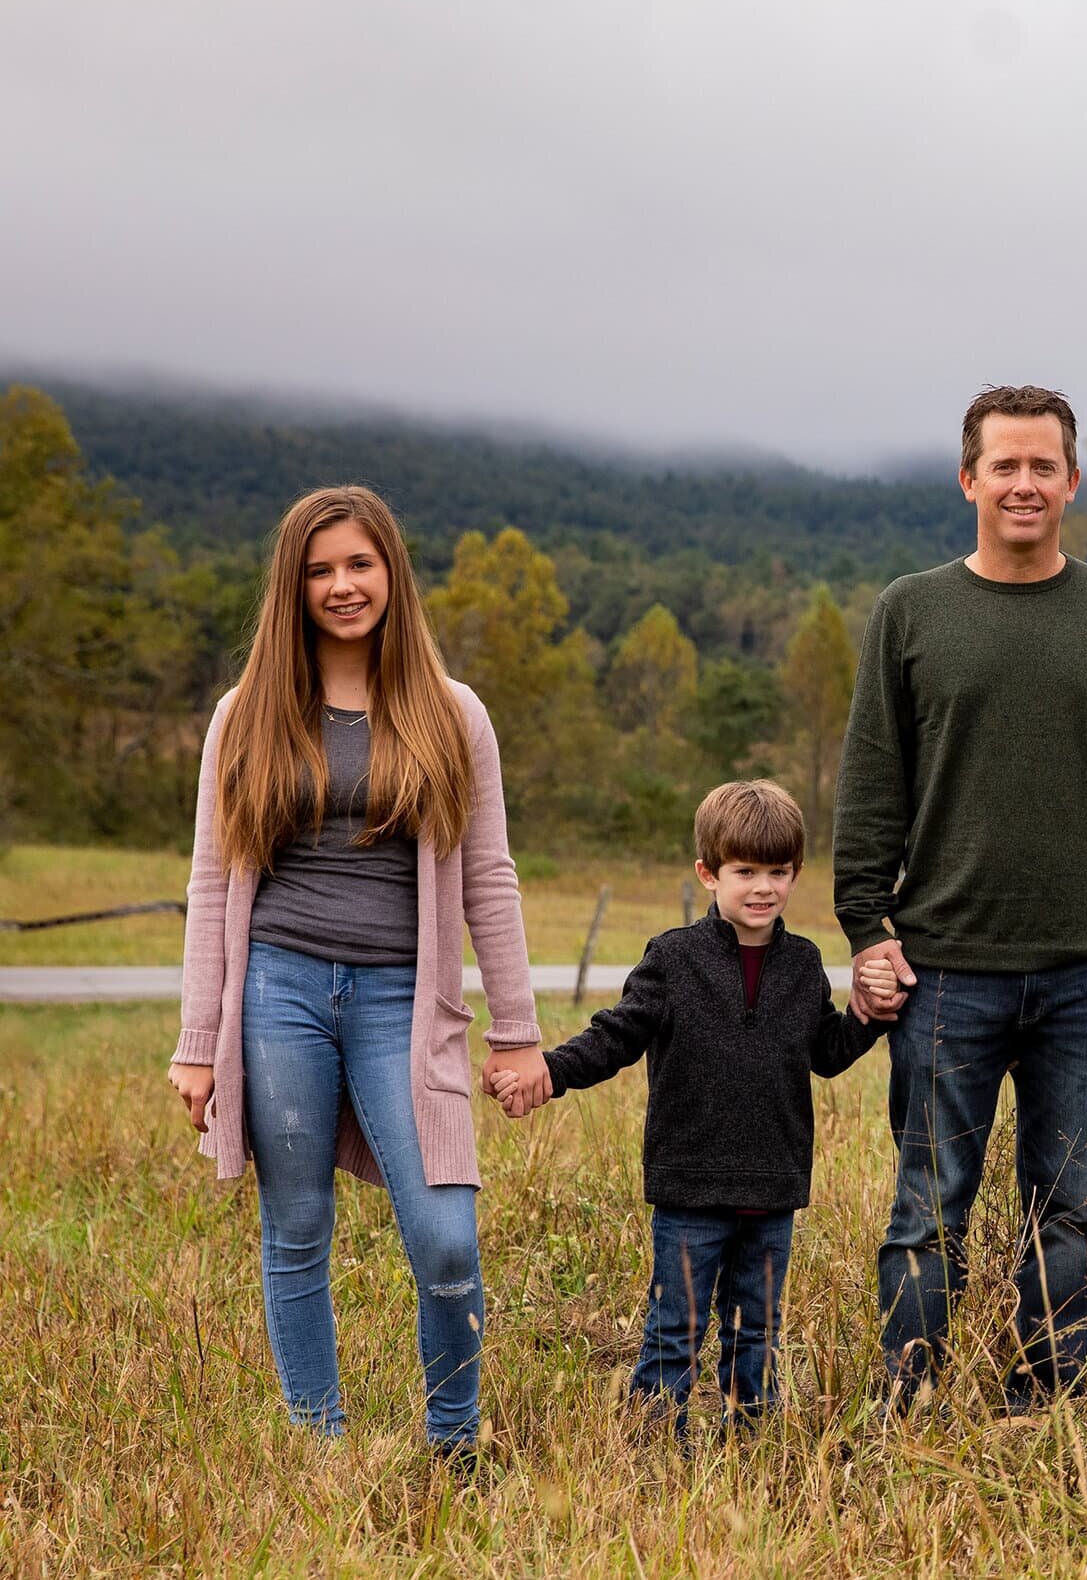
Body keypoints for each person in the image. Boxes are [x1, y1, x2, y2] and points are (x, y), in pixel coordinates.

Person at [835, 384, 1087, 1413]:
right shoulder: (910, 613)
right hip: (943, 968)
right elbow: (871, 787)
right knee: (926, 1210)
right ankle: (905, 1402)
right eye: (1003, 464)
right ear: (968, 478)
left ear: (1072, 482)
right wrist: (866, 929)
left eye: (1042, 465)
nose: (1023, 482)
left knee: (1069, 1212)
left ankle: (1043, 1406)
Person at [166, 486, 550, 1459]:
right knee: (297, 1227)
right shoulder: (244, 714)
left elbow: (492, 878)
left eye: (360, 564)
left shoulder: (452, 715)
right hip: (278, 993)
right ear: (293, 587)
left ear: (392, 574)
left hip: (401, 1004)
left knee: (447, 1239)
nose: (342, 585)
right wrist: (198, 1045)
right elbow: (212, 879)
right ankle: (319, 1445)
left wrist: (517, 1028)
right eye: (320, 569)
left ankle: (455, 1444)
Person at [490, 780, 892, 1433]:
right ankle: (655, 1444)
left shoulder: (805, 963)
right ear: (708, 873)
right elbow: (614, 1038)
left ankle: (751, 1445)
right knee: (676, 1330)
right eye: (745, 871)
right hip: (689, 1189)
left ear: (795, 875)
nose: (763, 887)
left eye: (779, 872)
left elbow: (827, 1052)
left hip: (772, 1189)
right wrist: (549, 1072)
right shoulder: (674, 959)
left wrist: (870, 1016)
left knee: (756, 1333)